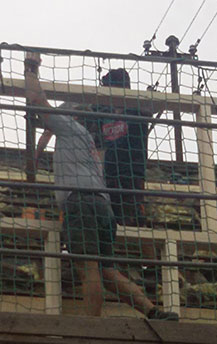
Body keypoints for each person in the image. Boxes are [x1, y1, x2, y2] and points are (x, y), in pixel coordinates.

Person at [24, 54, 178, 321]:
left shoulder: (70, 128)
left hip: (82, 203)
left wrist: (30, 68)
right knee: (107, 270)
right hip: (103, 208)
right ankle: (151, 310)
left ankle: (93, 326)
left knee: (88, 267)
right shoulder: (91, 144)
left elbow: (38, 102)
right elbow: (40, 116)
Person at [94, 68, 152, 227]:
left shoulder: (137, 110)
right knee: (110, 222)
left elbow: (151, 108)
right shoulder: (104, 113)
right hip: (110, 176)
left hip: (131, 176)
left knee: (135, 221)